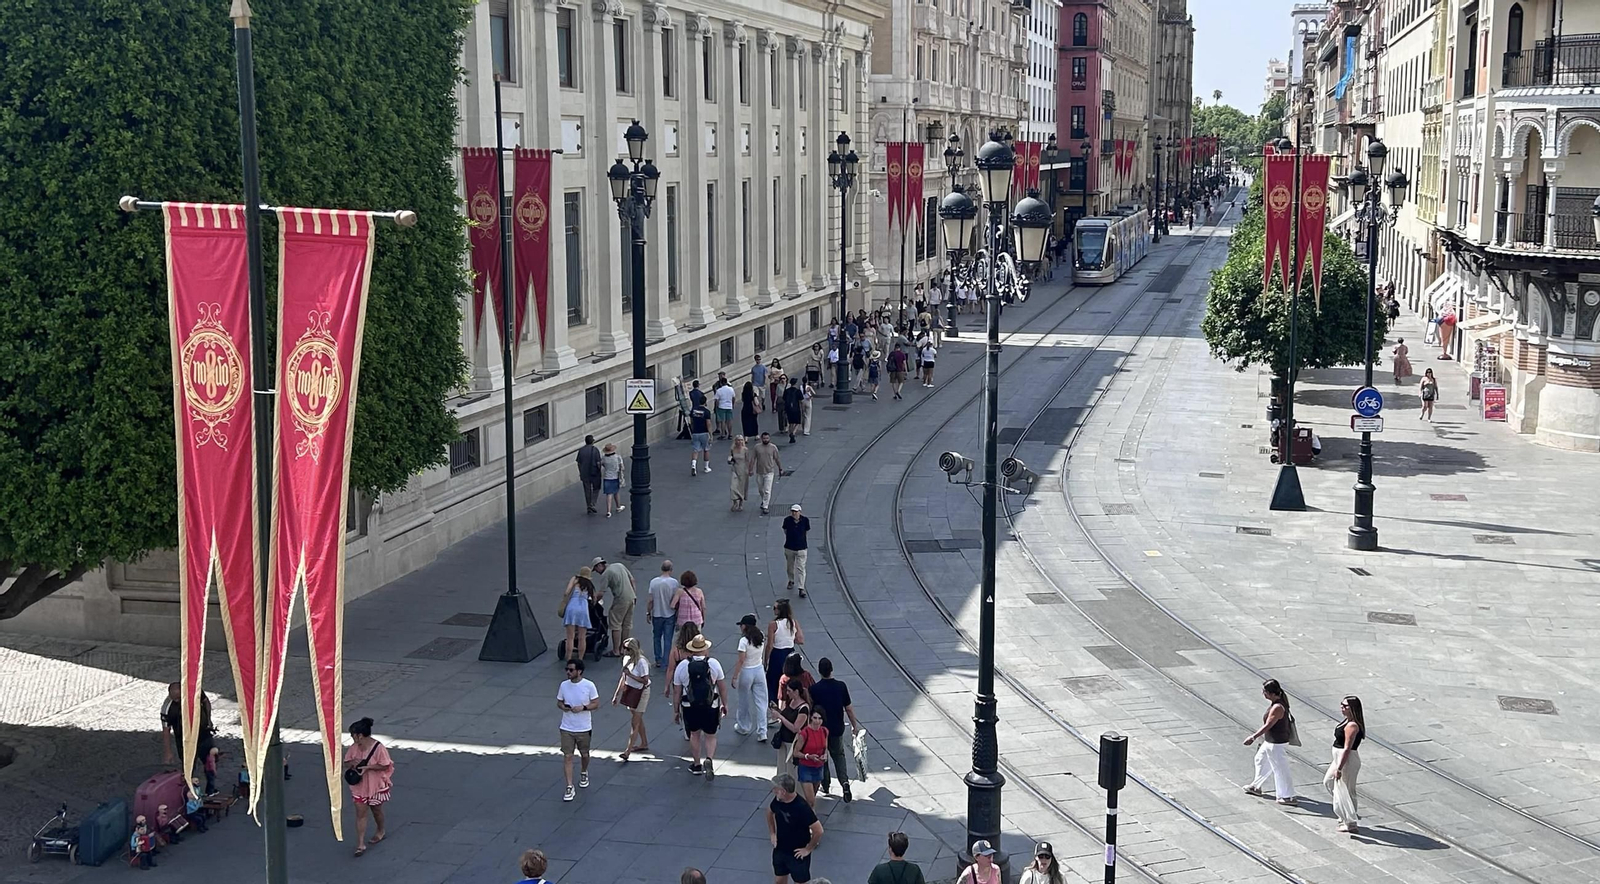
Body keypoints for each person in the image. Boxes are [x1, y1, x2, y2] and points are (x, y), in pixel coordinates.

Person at [672, 634, 730, 778]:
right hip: (711, 705)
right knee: (711, 736)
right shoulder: (714, 664)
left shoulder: (683, 666)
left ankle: (697, 764)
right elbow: (722, 687)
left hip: (690, 706)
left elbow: (677, 691)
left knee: (694, 734)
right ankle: (709, 758)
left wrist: (676, 710)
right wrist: (725, 704)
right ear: (705, 649)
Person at [808, 657, 861, 801]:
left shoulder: (814, 689)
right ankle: (844, 782)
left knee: (822, 757)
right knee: (839, 756)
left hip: (821, 730)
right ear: (832, 669)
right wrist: (854, 725)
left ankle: (825, 784)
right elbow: (848, 709)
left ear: (819, 671)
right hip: (837, 729)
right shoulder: (841, 686)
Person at [1243, 678, 1298, 806]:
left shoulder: (1278, 707)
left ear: (1272, 694)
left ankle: (1288, 796)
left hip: (1276, 743)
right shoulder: (1277, 703)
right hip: (1271, 741)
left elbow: (1269, 725)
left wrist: (1253, 737)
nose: (1263, 694)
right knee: (1260, 759)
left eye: (1265, 692)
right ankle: (1256, 786)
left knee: (1280, 769)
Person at [343, 717, 392, 855]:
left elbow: (385, 765)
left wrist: (368, 767)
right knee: (360, 813)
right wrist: (353, 762)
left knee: (376, 810)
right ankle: (360, 844)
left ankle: (380, 829)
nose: (352, 738)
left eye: (353, 735)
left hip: (375, 785)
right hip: (359, 786)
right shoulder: (354, 748)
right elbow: (346, 762)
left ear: (359, 735)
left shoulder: (378, 748)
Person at [557, 658, 600, 802]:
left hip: (583, 727)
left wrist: (584, 707)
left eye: (571, 670)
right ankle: (569, 786)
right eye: (567, 670)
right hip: (566, 727)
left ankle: (583, 771)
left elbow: (596, 703)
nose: (568, 672)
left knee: (584, 754)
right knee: (568, 756)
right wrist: (564, 707)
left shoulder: (589, 685)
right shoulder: (563, 685)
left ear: (579, 671)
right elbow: (559, 702)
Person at [768, 774, 823, 884]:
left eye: (775, 789)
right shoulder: (778, 800)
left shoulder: (802, 807)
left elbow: (819, 830)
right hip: (780, 850)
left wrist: (808, 849)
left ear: (783, 791)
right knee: (779, 881)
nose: (773, 791)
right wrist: (772, 833)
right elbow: (769, 812)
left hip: (797, 854)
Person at [1325, 696, 1366, 833]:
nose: (1342, 708)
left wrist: (1339, 767)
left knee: (1348, 790)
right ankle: (1346, 814)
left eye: (1345, 706)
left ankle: (1351, 822)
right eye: (1341, 705)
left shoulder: (1352, 725)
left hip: (1347, 760)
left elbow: (1347, 748)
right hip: (1339, 758)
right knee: (1329, 782)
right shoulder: (1347, 721)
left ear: (1353, 708)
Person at [160, 682, 215, 778]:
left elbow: (206, 701)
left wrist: (208, 719)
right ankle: (190, 786)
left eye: (178, 697)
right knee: (188, 766)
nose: (176, 700)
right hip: (184, 739)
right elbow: (166, 730)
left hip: (202, 732)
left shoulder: (195, 691)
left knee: (209, 760)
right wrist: (168, 752)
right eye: (174, 698)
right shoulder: (167, 708)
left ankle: (211, 786)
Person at [612, 637, 651, 761]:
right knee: (637, 718)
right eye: (624, 648)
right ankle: (644, 743)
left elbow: (645, 680)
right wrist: (616, 694)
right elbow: (623, 677)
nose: (624, 651)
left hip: (641, 691)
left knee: (635, 722)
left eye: (627, 648)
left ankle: (627, 751)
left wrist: (631, 675)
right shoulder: (626, 659)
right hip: (631, 689)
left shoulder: (641, 662)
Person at [734, 613, 771, 739]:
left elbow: (741, 660)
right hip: (759, 669)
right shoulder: (760, 635)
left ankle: (743, 726)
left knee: (743, 700)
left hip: (747, 671)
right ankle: (762, 731)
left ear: (745, 626)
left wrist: (735, 677)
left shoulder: (743, 641)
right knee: (762, 702)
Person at [591, 556, 636, 656]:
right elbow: (632, 580)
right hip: (631, 597)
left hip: (620, 599)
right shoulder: (619, 565)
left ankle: (616, 650)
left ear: (600, 565)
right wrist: (634, 595)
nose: (597, 572)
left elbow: (601, 593)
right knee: (626, 624)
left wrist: (593, 602)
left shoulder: (606, 574)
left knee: (615, 623)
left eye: (596, 569)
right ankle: (624, 649)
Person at [765, 598, 804, 702]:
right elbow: (800, 639)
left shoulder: (773, 624)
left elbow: (769, 645)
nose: (773, 610)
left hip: (777, 654)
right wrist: (789, 639)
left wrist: (766, 661)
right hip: (790, 652)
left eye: (775, 608)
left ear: (779, 610)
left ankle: (774, 702)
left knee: (773, 680)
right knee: (790, 678)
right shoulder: (793, 622)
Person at [771, 680, 811, 780]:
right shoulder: (791, 702)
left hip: (793, 742)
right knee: (781, 767)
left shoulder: (803, 708)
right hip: (783, 739)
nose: (787, 693)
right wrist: (778, 712)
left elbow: (795, 728)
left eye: (789, 691)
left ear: (796, 692)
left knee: (790, 769)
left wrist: (780, 716)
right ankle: (781, 789)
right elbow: (787, 716)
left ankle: (791, 791)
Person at [793, 709, 829, 806]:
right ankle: (812, 819)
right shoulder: (805, 733)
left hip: (819, 767)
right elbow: (795, 753)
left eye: (820, 718)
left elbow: (825, 747)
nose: (817, 721)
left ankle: (805, 814)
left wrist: (825, 756)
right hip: (806, 768)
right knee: (811, 801)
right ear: (810, 718)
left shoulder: (824, 731)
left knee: (812, 796)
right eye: (815, 718)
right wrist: (808, 756)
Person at [648, 560, 680, 669]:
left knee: (656, 637)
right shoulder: (674, 583)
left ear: (661, 569)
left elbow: (651, 600)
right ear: (671, 570)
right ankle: (666, 662)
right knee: (668, 639)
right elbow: (676, 599)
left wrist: (648, 612)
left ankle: (658, 659)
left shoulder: (653, 582)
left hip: (657, 613)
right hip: (669, 614)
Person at [560, 568, 595, 661]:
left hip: (572, 607)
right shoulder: (590, 585)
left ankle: (569, 658)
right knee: (582, 637)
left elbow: (566, 592)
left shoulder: (575, 579)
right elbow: (594, 599)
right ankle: (580, 659)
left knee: (570, 637)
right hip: (583, 609)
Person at [782, 504, 810, 597]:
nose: (794, 513)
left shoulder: (805, 520)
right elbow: (785, 530)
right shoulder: (787, 520)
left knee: (801, 568)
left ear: (800, 512)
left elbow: (806, 531)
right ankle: (791, 580)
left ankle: (801, 588)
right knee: (790, 566)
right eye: (792, 511)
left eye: (796, 511)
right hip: (789, 547)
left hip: (802, 548)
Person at [752, 432, 783, 515]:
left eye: (767, 438)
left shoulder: (773, 448)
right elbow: (753, 458)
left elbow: (777, 458)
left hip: (769, 471)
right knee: (760, 489)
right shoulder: (757, 447)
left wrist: (780, 468)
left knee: (767, 490)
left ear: (769, 439)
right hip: (759, 471)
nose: (766, 440)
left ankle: (765, 506)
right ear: (761, 439)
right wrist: (750, 469)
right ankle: (764, 500)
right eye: (764, 438)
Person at [689, 399, 714, 475]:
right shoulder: (706, 412)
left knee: (695, 450)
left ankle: (693, 465)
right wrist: (711, 434)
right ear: (705, 402)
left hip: (695, 433)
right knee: (706, 449)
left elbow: (692, 421)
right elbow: (708, 424)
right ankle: (706, 467)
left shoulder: (693, 411)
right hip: (704, 433)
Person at [729, 435, 754, 511]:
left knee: (742, 487)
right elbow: (731, 457)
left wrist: (750, 470)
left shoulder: (745, 450)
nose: (739, 442)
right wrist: (730, 460)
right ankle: (735, 502)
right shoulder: (733, 449)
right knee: (733, 487)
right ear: (735, 441)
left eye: (741, 440)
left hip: (743, 470)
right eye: (738, 440)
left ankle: (740, 503)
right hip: (735, 469)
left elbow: (747, 460)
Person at [600, 443, 625, 517]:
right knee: (616, 492)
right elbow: (622, 467)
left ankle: (608, 511)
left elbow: (602, 464)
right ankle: (618, 506)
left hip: (607, 477)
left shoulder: (604, 458)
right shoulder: (617, 457)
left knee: (609, 494)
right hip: (615, 477)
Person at [783, 378, 805, 443]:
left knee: (790, 423)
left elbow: (784, 399)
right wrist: (802, 409)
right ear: (795, 383)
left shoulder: (786, 391)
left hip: (788, 409)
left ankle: (790, 433)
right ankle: (793, 432)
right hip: (796, 408)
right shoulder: (798, 391)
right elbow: (801, 401)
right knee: (797, 422)